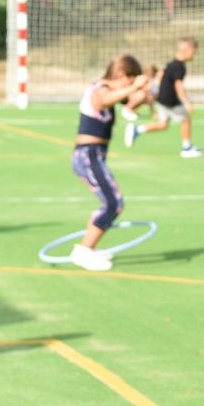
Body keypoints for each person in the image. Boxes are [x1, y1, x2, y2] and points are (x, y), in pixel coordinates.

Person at [68, 55, 152, 272]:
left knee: (110, 202)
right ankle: (84, 250)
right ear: (122, 75)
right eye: (129, 79)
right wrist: (134, 86)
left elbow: (131, 99)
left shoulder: (113, 91)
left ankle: (88, 249)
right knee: (114, 204)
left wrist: (143, 92)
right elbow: (105, 100)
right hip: (88, 155)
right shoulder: (99, 89)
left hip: (94, 155)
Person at [127, 37, 203, 158]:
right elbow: (179, 86)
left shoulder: (172, 64)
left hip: (162, 99)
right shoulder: (179, 66)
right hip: (170, 100)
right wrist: (186, 102)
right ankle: (186, 148)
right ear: (187, 50)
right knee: (186, 119)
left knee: (163, 125)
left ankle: (137, 129)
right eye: (194, 51)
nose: (194, 54)